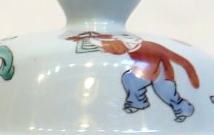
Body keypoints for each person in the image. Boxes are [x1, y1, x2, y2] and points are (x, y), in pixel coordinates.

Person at [67, 32, 199, 121]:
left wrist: (193, 77)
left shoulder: (151, 46)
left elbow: (179, 59)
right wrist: (88, 37)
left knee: (167, 93)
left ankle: (184, 110)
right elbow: (108, 38)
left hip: (160, 73)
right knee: (129, 78)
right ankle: (137, 103)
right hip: (141, 73)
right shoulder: (125, 43)